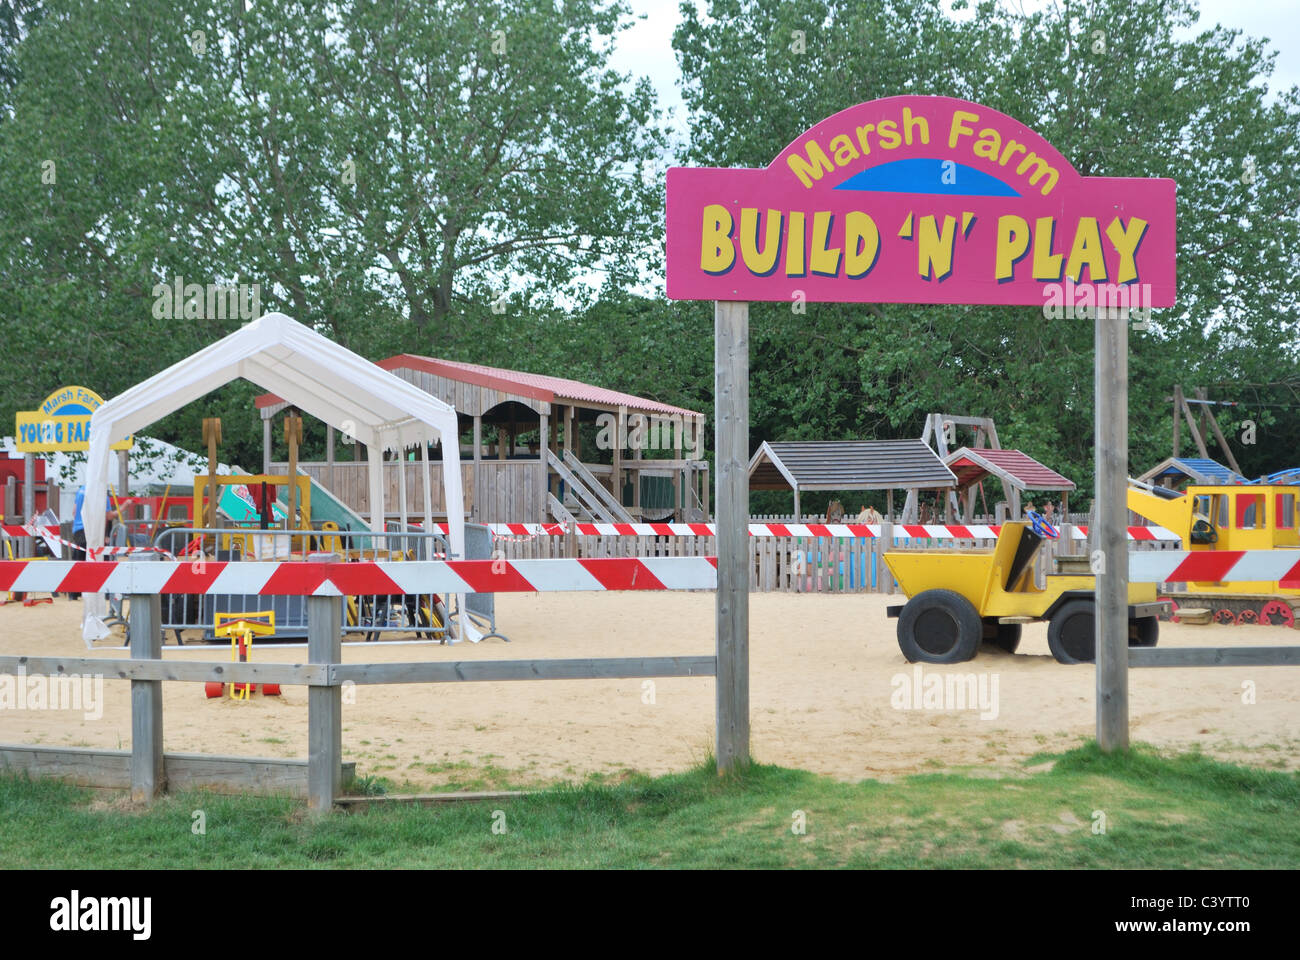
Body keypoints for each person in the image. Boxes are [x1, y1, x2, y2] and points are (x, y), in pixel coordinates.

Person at [68, 485, 118, 600]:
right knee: (100, 559)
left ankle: (73, 593)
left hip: (79, 529)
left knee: (79, 559)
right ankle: (104, 591)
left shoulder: (80, 490)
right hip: (94, 529)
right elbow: (109, 516)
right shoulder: (102, 494)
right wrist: (124, 506)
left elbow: (74, 512)